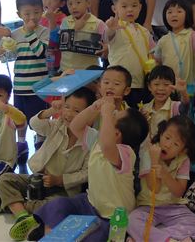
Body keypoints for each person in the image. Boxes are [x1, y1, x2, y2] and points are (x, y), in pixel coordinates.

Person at [15, 97, 149, 241]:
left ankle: (55, 231)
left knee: (96, 236)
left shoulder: (126, 153)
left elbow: (107, 146)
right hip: (90, 202)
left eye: (114, 116)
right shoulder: (97, 140)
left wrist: (107, 113)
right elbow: (76, 126)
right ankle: (47, 228)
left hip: (112, 216)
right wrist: (94, 107)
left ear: (117, 134)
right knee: (60, 204)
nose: (112, 113)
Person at [0, 88, 94, 240]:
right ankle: (22, 215)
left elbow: (87, 173)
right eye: (67, 107)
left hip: (63, 190)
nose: (69, 114)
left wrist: (60, 180)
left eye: (77, 111)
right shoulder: (57, 125)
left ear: (89, 115)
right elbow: (34, 124)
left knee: (58, 205)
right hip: (39, 180)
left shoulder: (90, 140)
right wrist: (51, 111)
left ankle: (13, 204)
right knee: (5, 179)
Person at [128, 115, 195, 242]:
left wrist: (165, 174)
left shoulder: (183, 160)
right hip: (148, 206)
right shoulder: (149, 153)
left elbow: (179, 192)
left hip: (173, 206)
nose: (168, 145)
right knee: (132, 220)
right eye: (167, 138)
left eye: (176, 144)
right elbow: (155, 188)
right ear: (161, 133)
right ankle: (167, 239)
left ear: (183, 150)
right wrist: (155, 161)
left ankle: (152, 237)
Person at [0, 0, 50, 155]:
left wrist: (29, 33)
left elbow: (40, 52)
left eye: (36, 12)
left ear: (42, 11)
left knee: (39, 117)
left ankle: (41, 140)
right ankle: (21, 142)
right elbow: (10, 57)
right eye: (27, 14)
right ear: (19, 14)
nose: (32, 17)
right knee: (19, 117)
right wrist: (3, 52)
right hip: (20, 85)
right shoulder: (14, 34)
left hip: (40, 86)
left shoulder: (44, 32)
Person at [105, 0, 157, 107]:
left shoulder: (144, 31)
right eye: (124, 6)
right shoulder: (116, 27)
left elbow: (153, 54)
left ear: (140, 7)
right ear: (115, 9)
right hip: (119, 85)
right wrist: (110, 29)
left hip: (141, 83)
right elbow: (108, 37)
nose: (130, 9)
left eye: (134, 6)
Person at [154, 0, 195, 98]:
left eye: (179, 11)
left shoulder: (192, 35)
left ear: (187, 15)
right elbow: (158, 61)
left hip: (187, 87)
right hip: (168, 87)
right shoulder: (163, 40)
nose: (174, 15)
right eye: (169, 12)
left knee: (185, 107)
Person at [58, 0, 106, 70]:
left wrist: (106, 48)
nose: (74, 7)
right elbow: (62, 43)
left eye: (78, 2)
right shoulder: (65, 21)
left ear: (88, 3)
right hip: (67, 69)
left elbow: (107, 42)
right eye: (70, 4)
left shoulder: (98, 23)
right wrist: (75, 29)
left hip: (90, 72)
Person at [140, 65, 190, 139]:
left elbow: (185, 106)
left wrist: (183, 92)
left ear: (173, 87)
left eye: (166, 84)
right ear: (149, 86)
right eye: (156, 84)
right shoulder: (144, 108)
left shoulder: (175, 106)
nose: (161, 88)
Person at [40, 0, 67, 77]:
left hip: (55, 63)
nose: (48, 2)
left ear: (62, 3)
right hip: (39, 62)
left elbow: (56, 40)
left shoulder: (64, 19)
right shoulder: (38, 17)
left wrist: (52, 20)